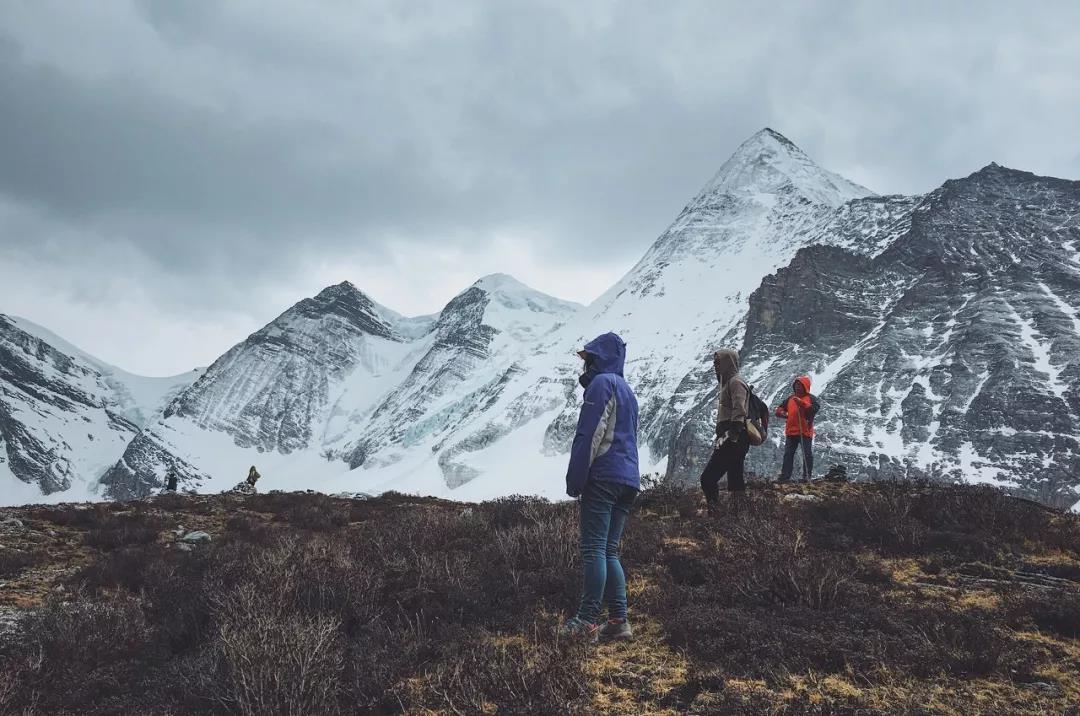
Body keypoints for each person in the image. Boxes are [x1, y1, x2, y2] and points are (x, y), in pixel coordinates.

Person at [560, 332, 640, 642]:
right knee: (610, 550)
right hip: (628, 479)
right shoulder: (628, 391)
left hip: (604, 476)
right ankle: (619, 621)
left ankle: (586, 621)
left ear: (600, 358)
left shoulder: (601, 385)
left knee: (593, 548)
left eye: (590, 358)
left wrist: (575, 479)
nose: (586, 365)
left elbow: (589, 435)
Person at [699, 349, 751, 511]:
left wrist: (731, 434)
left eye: (718, 362)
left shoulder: (735, 382)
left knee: (707, 479)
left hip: (733, 437)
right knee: (735, 480)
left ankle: (715, 514)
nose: (715, 366)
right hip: (736, 438)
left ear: (728, 362)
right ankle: (740, 517)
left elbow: (739, 408)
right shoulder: (729, 383)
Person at [775, 376, 818, 483]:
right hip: (791, 431)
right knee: (788, 454)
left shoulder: (811, 398)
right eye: (796, 385)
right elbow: (779, 410)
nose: (798, 387)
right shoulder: (790, 399)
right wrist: (784, 414)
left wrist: (802, 403)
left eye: (800, 385)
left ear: (805, 387)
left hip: (805, 431)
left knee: (807, 454)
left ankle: (806, 477)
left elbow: (814, 410)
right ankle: (785, 477)